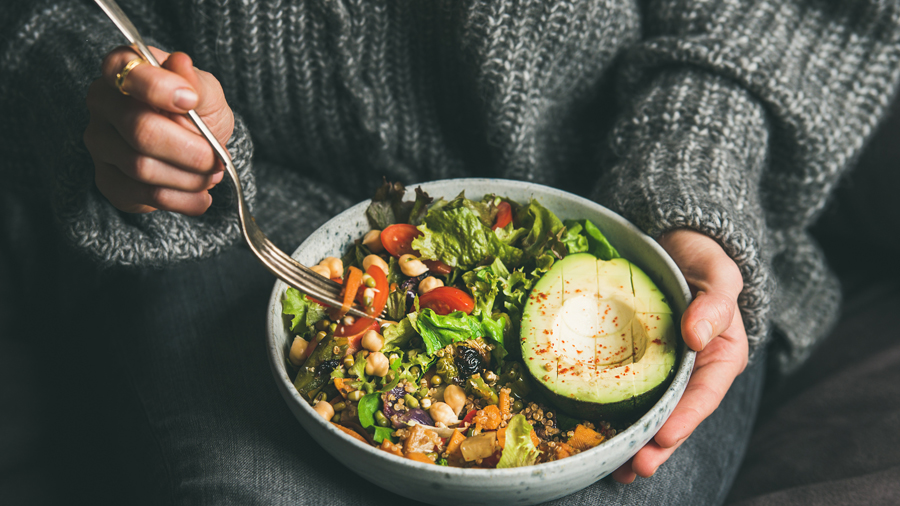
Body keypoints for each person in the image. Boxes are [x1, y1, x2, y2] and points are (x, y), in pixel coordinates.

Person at [1, 0, 898, 504]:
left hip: (624, 203)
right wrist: (118, 99)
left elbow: (788, 17)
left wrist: (694, 175)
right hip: (233, 219)